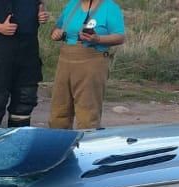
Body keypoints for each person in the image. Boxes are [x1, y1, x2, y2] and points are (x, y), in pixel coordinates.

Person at [48, 0, 125, 130]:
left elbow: (120, 37)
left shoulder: (109, 7)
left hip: (92, 63)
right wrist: (56, 33)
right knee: (59, 109)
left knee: (87, 112)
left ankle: (87, 147)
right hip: (65, 61)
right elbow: (57, 27)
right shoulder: (72, 5)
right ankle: (59, 145)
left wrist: (98, 39)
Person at [0, 0, 51, 127]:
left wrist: (41, 13)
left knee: (25, 100)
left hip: (29, 50)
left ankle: (18, 142)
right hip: (3, 47)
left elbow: (40, 4)